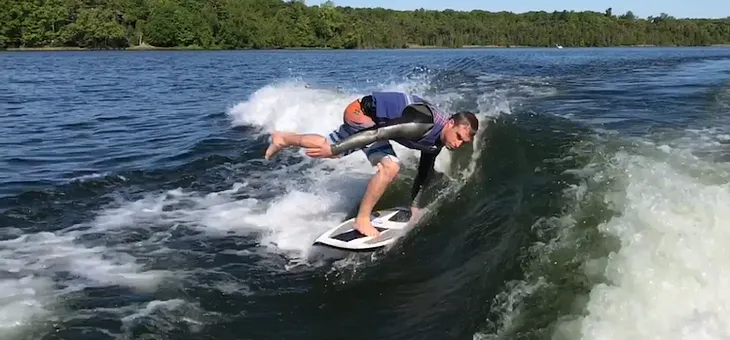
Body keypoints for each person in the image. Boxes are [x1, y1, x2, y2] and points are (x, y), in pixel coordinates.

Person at [264, 91, 479, 237]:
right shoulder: (422, 124)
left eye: (463, 142)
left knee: (326, 146)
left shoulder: (437, 142)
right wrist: (337, 149)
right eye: (459, 136)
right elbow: (377, 133)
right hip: (363, 114)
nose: (458, 144)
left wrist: (415, 207)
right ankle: (362, 219)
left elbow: (424, 171)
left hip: (369, 118)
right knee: (390, 166)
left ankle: (282, 138)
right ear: (450, 123)